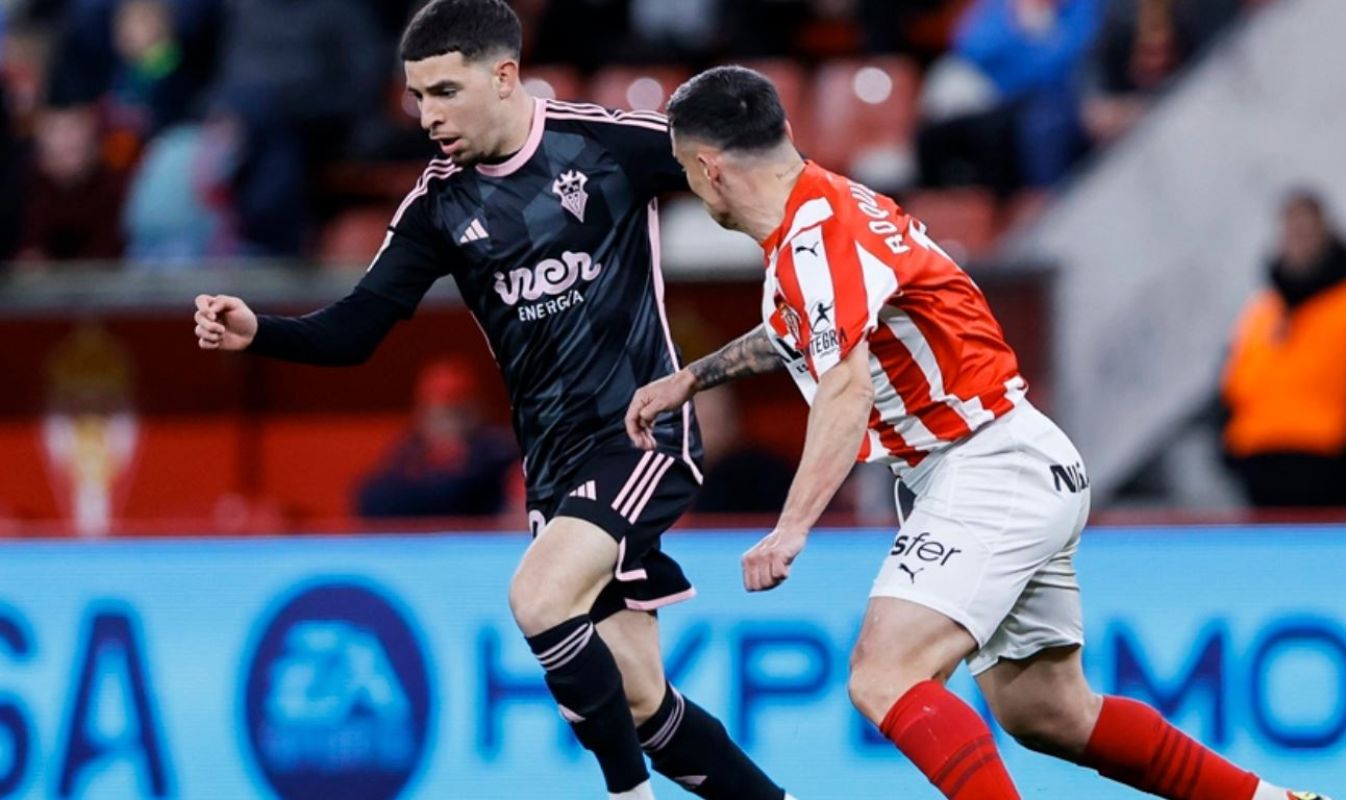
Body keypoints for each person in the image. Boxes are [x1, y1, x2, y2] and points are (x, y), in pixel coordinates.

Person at [626, 65, 1331, 800]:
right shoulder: (831, 208)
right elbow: (802, 330)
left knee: (883, 673)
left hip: (984, 466)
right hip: (1019, 455)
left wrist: (790, 528)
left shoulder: (814, 242)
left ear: (707, 169)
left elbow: (844, 387)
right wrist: (692, 379)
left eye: (683, 169)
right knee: (1047, 711)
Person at [192, 3, 791, 799]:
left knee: (538, 598)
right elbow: (356, 331)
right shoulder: (440, 206)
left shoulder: (607, 144)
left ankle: (626, 797)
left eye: (444, 91)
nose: (427, 115)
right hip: (555, 469)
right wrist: (257, 331)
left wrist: (809, 238)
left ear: (503, 75)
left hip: (641, 434)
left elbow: (748, 172)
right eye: (416, 98)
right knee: (644, 699)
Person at [1221, 190, 1346, 508]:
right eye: (1291, 233)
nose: (1298, 244)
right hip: (1260, 471)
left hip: (1327, 472)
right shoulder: (1261, 312)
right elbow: (1230, 385)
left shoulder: (1340, 307)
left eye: (1306, 233)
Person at [356, 359, 517, 518]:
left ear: (479, 408)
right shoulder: (407, 454)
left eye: (457, 409)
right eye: (436, 408)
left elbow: (477, 499)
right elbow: (373, 501)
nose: (446, 418)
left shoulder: (502, 451)